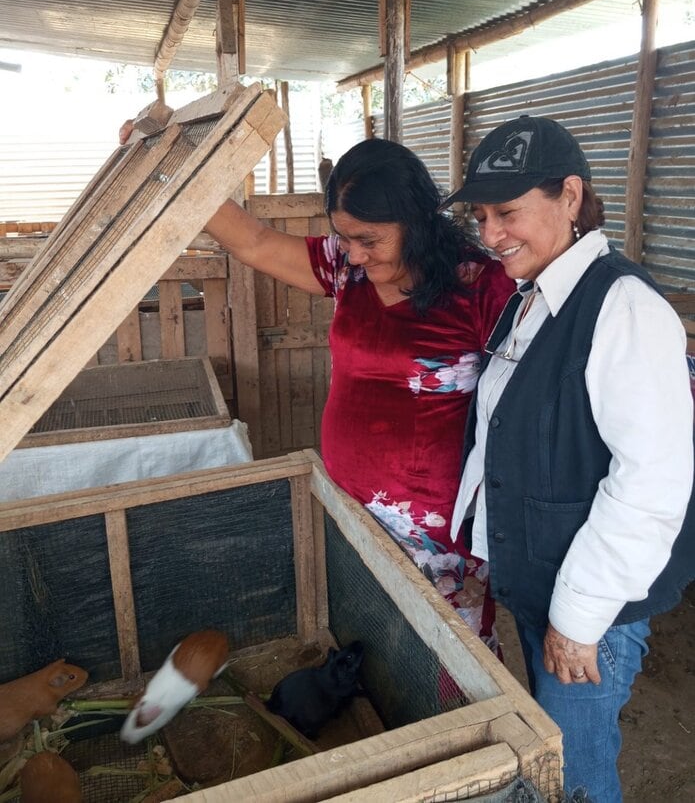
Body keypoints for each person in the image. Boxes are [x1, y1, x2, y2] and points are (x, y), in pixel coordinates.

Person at [443, 115, 694, 802]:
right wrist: (478, 553)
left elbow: (651, 482)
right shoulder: (531, 299)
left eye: (508, 212)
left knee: (574, 779)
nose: (491, 235)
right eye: (481, 215)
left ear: (571, 196)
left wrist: (577, 623)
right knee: (555, 758)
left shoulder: (622, 308)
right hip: (541, 585)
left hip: (590, 611)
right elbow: (497, 436)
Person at [207, 138, 515, 651]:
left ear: (417, 220)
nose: (353, 252)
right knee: (373, 637)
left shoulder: (480, 286)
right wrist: (176, 175)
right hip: (351, 505)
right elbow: (254, 242)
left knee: (449, 652)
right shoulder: (348, 269)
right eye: (343, 237)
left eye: (368, 239)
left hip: (437, 529)